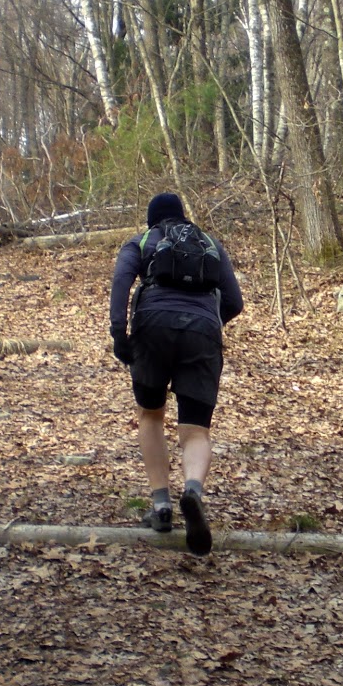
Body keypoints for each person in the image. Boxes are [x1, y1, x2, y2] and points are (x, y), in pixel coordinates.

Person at [109, 192, 243, 557]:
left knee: (151, 415)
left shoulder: (141, 241)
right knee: (196, 430)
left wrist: (120, 334)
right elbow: (234, 302)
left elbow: (121, 284)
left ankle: (161, 507)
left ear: (152, 218)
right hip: (202, 332)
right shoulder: (209, 243)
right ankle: (193, 491)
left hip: (152, 329)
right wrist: (206, 326)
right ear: (183, 216)